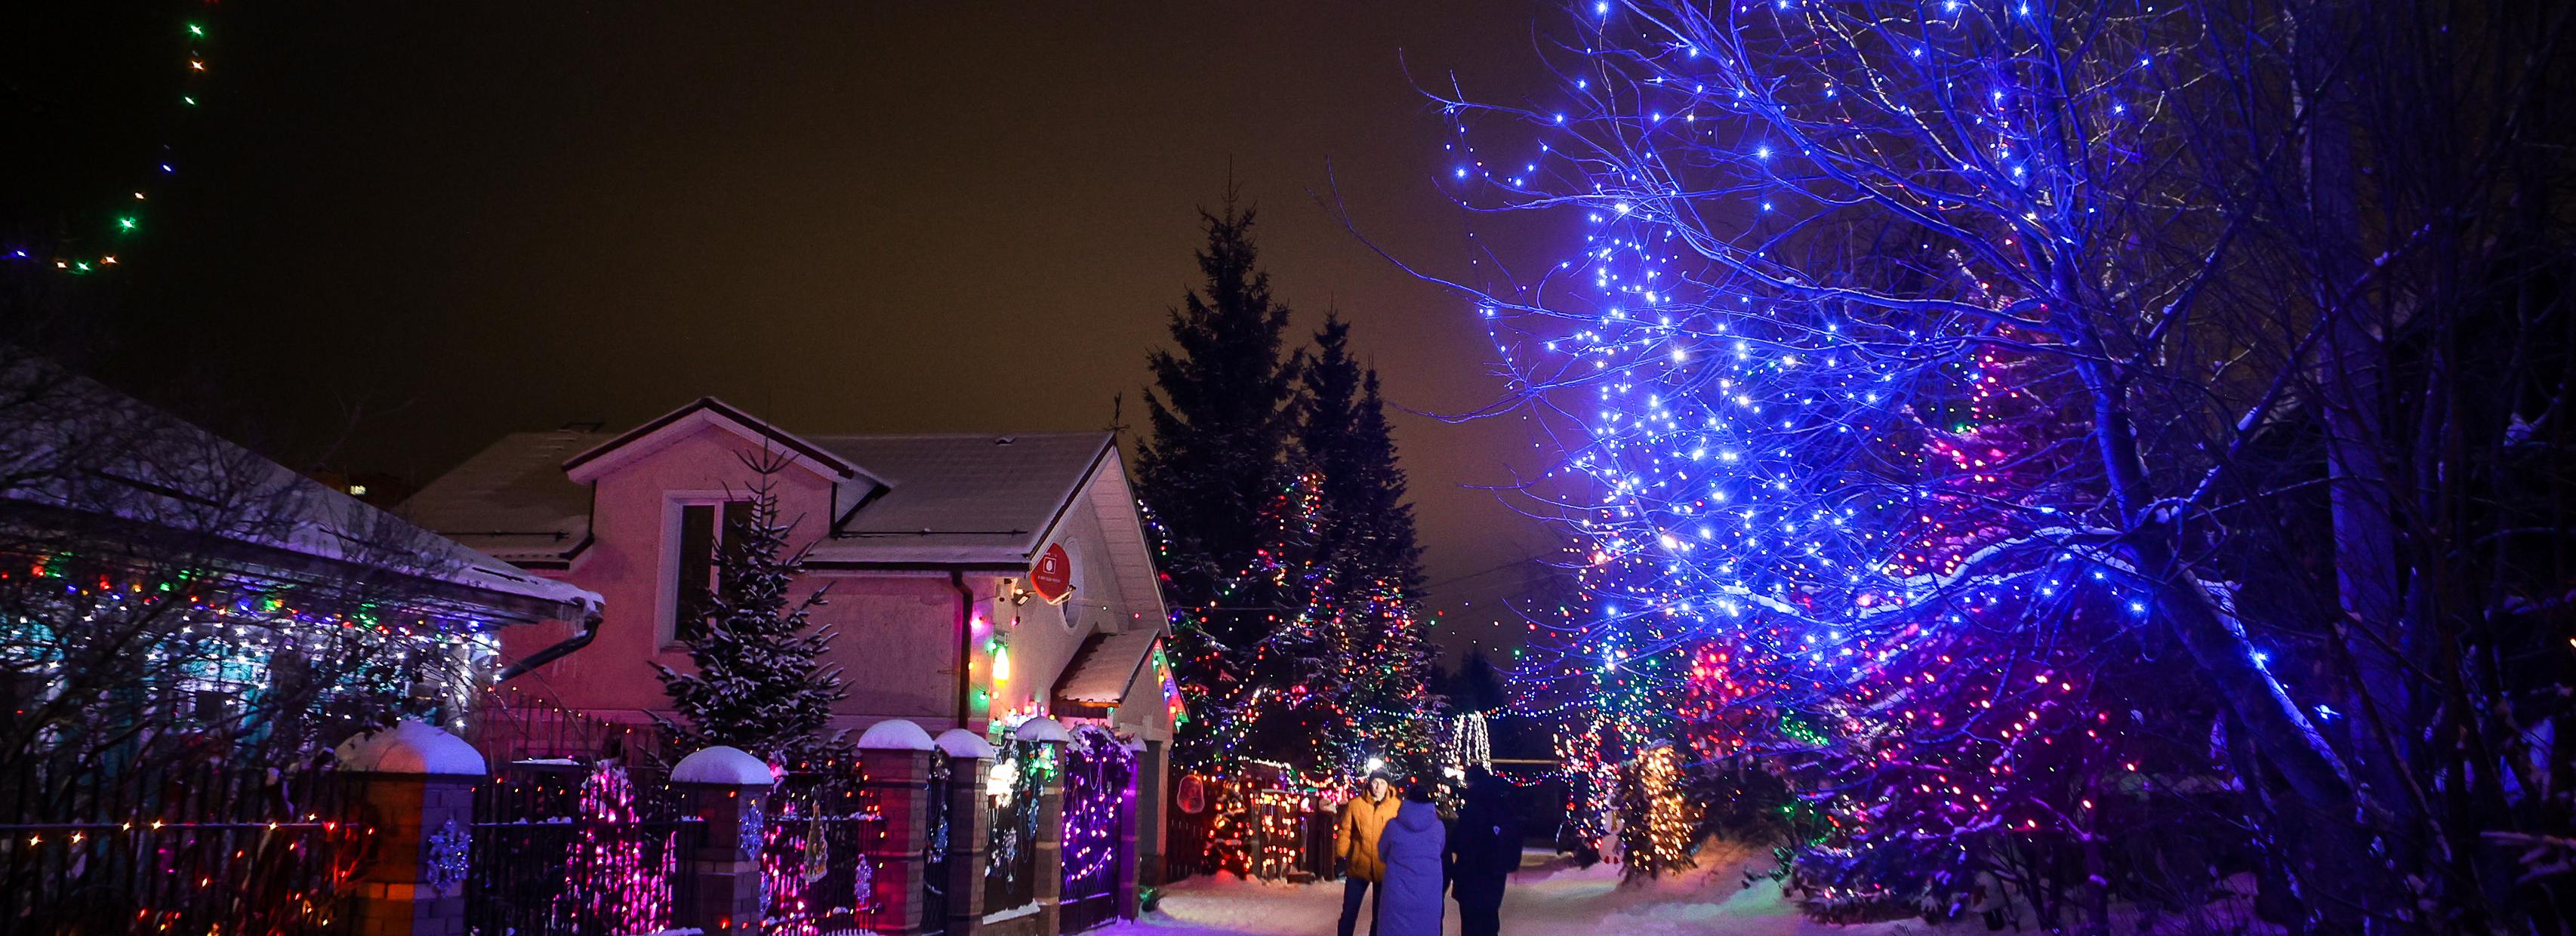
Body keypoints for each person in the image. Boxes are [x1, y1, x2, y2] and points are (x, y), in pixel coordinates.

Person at [1444, 768, 1524, 936]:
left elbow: (1457, 842)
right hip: (1494, 877)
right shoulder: (1502, 807)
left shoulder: (1472, 810)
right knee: (1489, 922)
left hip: (1470, 876)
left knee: (1471, 924)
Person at [1373, 779, 1448, 936]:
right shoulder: (1438, 827)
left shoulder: (1393, 826)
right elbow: (1440, 850)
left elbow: (1382, 853)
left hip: (1397, 891)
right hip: (1428, 892)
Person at [1335, 774, 1401, 936]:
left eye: (1382, 783)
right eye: (1375, 782)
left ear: (1388, 786)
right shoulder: (1356, 805)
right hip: (1359, 864)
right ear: (1369, 784)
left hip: (1384, 867)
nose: (1378, 787)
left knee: (1380, 915)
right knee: (1349, 912)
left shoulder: (1396, 807)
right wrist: (1341, 853)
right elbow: (1346, 830)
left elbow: (1400, 835)